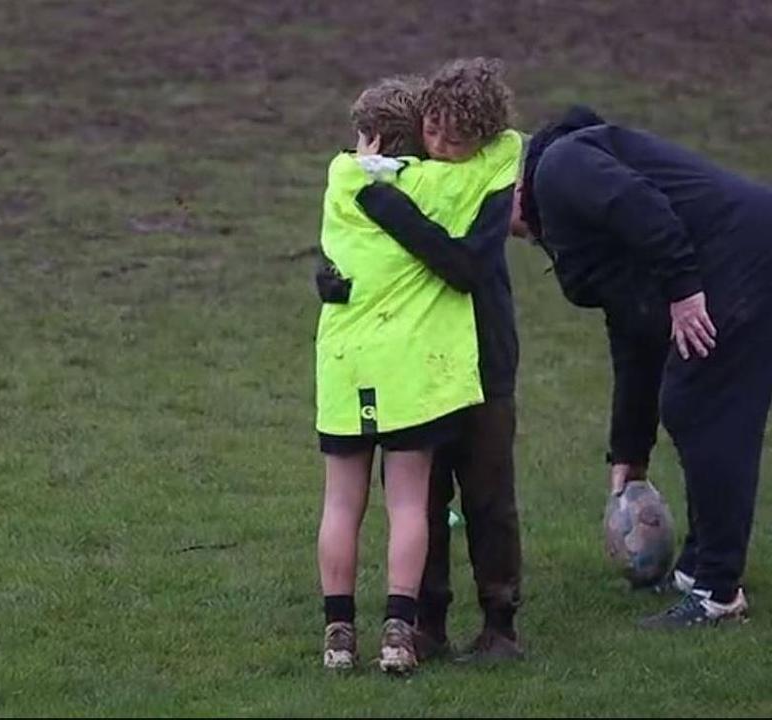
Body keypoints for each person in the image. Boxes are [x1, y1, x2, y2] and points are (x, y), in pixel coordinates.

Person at [516, 104, 771, 627]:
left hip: (741, 257)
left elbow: (644, 205)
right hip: (742, 255)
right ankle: (702, 564)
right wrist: (628, 455)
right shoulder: (569, 211)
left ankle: (718, 593)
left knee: (701, 407)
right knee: (698, 404)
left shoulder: (560, 166)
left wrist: (684, 291)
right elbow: (634, 338)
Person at [315, 76, 521, 673]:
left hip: (483, 358)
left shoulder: (482, 187)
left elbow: (465, 267)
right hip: (418, 365)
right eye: (433, 131)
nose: (441, 146)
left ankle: (499, 624)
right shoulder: (411, 174)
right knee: (422, 498)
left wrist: (381, 204)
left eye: (458, 139)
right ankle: (423, 624)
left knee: (488, 498)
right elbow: (357, 253)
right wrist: (329, 278)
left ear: (483, 140)